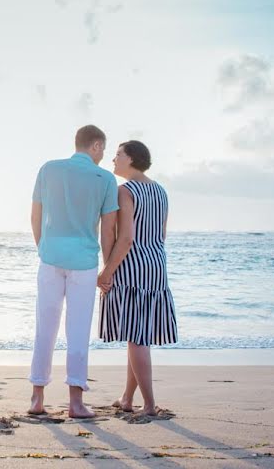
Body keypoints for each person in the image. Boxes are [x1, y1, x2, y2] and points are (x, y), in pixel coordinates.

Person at [28, 125, 119, 418]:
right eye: (103, 149)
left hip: (50, 257)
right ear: (94, 146)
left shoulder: (49, 169)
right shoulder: (105, 179)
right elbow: (108, 231)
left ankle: (37, 398)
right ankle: (76, 403)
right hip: (83, 261)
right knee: (77, 330)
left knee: (46, 326)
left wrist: (44, 247)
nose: (104, 155)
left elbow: (35, 215)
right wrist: (106, 269)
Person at [97, 140, 178, 418]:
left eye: (118, 155)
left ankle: (149, 405)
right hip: (156, 264)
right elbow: (162, 234)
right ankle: (127, 398)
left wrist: (106, 271)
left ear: (131, 159)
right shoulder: (160, 190)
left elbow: (127, 237)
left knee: (136, 337)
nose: (114, 160)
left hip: (132, 266)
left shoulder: (125, 191)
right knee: (138, 333)